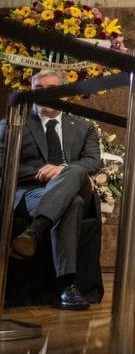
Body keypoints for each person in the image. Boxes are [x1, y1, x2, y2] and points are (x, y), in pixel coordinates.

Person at [0, 69, 100, 310]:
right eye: (38, 89)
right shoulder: (13, 124)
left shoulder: (84, 126)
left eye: (51, 89)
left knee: (74, 170)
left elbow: (93, 162)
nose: (43, 94)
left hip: (76, 186)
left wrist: (61, 170)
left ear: (65, 94)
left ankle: (34, 231)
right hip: (33, 192)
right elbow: (3, 165)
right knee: (72, 204)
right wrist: (42, 172)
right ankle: (67, 286)